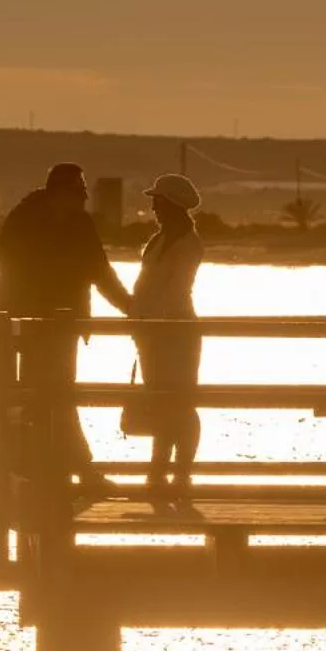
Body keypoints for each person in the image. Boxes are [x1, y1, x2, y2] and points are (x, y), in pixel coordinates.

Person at [0, 163, 133, 493]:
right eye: (77, 196)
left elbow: (101, 272)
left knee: (58, 398)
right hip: (24, 327)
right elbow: (6, 270)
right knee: (35, 399)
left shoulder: (80, 224)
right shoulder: (24, 219)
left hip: (62, 328)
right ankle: (58, 470)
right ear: (58, 194)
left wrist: (131, 309)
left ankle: (66, 471)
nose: (82, 204)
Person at [130, 173, 204, 502]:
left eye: (158, 201)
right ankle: (158, 471)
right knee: (160, 401)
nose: (153, 207)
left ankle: (181, 474)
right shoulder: (159, 239)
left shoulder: (189, 244)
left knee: (181, 403)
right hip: (153, 331)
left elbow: (176, 291)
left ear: (171, 205)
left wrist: (151, 322)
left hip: (176, 331)